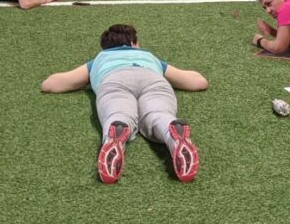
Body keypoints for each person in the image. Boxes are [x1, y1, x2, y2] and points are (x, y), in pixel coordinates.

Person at [41, 24, 207, 184]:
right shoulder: (149, 57)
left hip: (114, 79)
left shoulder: (100, 59)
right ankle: (171, 130)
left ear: (106, 47)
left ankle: (115, 132)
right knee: (158, 114)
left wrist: (89, 79)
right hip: (152, 78)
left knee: (118, 114)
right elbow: (198, 82)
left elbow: (50, 84)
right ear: (134, 43)